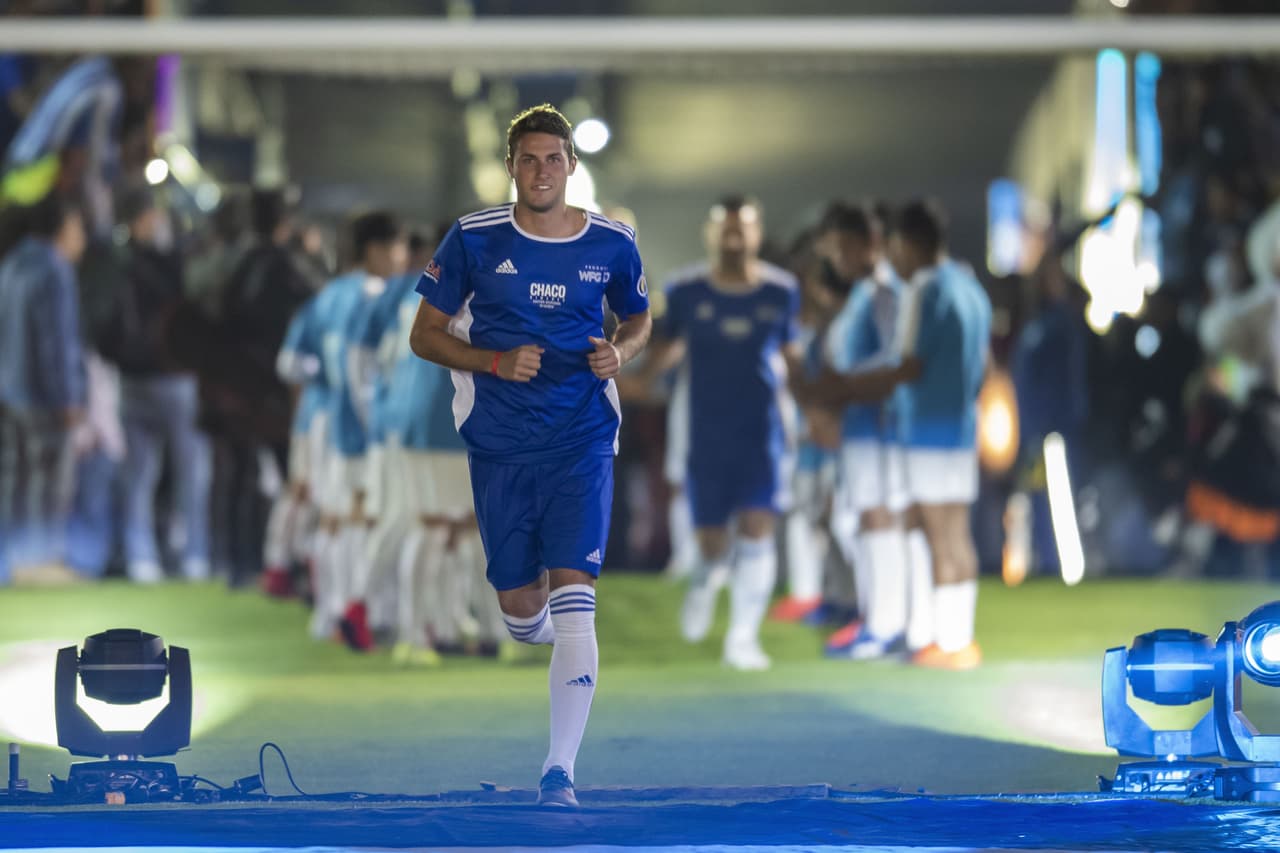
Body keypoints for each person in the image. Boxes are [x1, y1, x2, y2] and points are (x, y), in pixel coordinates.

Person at [409, 104, 651, 807]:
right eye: (529, 159)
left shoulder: (612, 241)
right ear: (510, 165)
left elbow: (638, 315)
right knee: (520, 609)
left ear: (572, 166)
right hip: (500, 445)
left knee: (578, 606)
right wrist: (491, 359)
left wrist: (622, 351)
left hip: (581, 439)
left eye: (554, 159)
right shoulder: (473, 238)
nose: (542, 171)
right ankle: (546, 631)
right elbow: (424, 335)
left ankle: (559, 774)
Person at [630, 195, 801, 672]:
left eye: (741, 229)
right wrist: (635, 381)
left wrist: (816, 403)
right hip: (706, 432)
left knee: (757, 530)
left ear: (757, 233)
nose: (733, 238)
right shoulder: (686, 290)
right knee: (711, 543)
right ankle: (704, 582)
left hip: (761, 434)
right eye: (724, 229)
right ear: (710, 235)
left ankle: (743, 639)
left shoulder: (781, 291)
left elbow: (793, 358)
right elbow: (666, 349)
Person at [815, 201, 931, 659]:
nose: (837, 261)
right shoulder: (864, 292)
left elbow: (896, 357)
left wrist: (844, 385)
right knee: (861, 517)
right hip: (859, 420)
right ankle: (880, 619)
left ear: (870, 244)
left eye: (844, 249)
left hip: (879, 420)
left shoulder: (885, 291)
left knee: (879, 516)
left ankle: (888, 623)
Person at [889, 200, 992, 670]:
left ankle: (948, 642)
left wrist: (854, 386)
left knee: (935, 536)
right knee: (956, 533)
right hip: (960, 427)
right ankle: (958, 637)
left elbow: (909, 362)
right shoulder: (972, 289)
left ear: (909, 244)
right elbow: (985, 366)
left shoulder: (924, 288)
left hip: (924, 427)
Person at [98, 186, 211, 583]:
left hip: (132, 379)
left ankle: (141, 556)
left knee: (140, 474)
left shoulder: (114, 265)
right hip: (172, 378)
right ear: (144, 219)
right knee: (189, 471)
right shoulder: (172, 263)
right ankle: (193, 555)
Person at [308, 211, 406, 642]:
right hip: (365, 426)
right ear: (377, 250)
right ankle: (360, 611)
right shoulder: (375, 294)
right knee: (363, 520)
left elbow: (315, 360)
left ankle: (330, 612)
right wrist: (375, 423)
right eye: (398, 247)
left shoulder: (331, 294)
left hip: (333, 418)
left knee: (337, 520)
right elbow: (361, 364)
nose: (402, 257)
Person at [0, 194, 86, 582]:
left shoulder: (12, 264)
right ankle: (42, 560)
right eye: (77, 227)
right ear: (62, 228)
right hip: (42, 395)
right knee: (50, 481)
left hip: (11, 391)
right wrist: (66, 396)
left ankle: (17, 560)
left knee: (17, 480)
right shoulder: (54, 270)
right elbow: (56, 342)